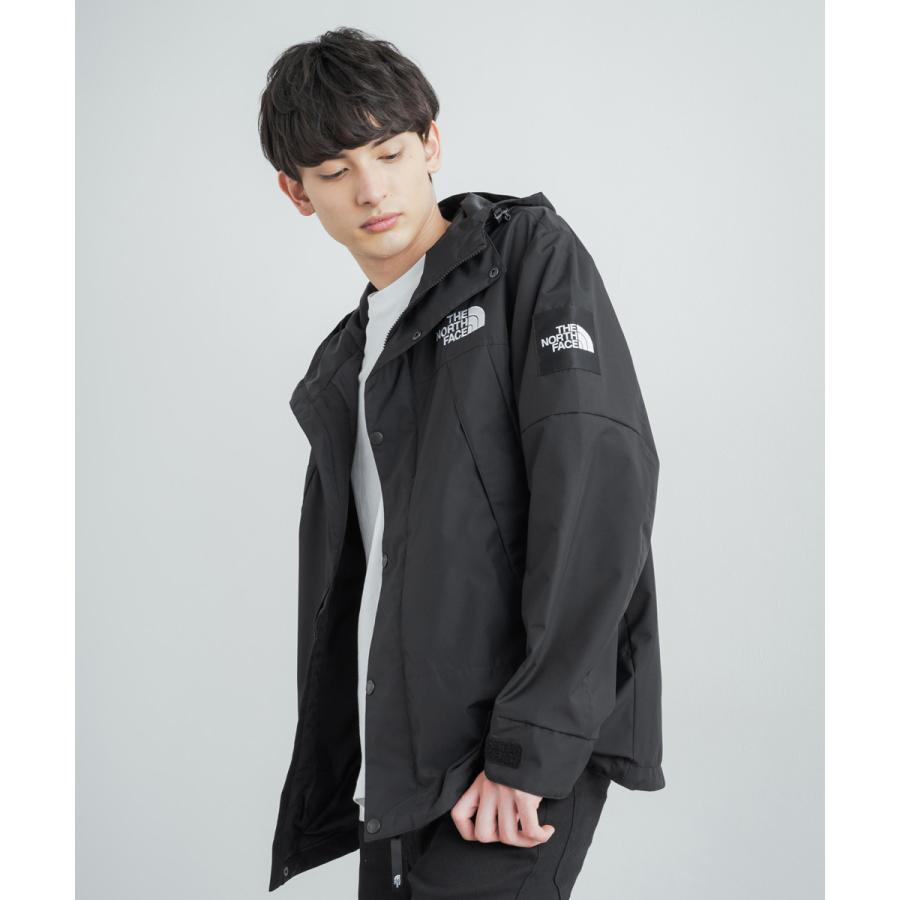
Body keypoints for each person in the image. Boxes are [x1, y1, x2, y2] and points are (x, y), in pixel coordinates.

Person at [258, 26, 665, 899]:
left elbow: (599, 488)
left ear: (431, 143)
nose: (371, 189)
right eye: (333, 171)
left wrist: (529, 748)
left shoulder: (525, 261)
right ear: (297, 192)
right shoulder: (346, 363)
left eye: (389, 153)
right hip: (402, 767)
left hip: (508, 758)